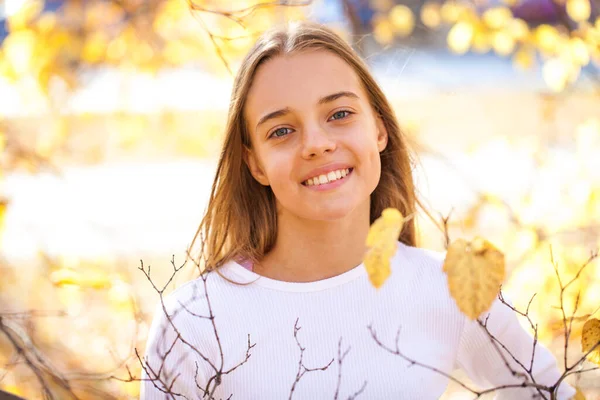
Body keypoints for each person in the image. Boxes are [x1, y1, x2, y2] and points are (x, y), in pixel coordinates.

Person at [140, 21, 575, 399]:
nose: (317, 143)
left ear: (379, 129)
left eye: (340, 113)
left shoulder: (451, 291)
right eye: (282, 130)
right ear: (255, 163)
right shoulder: (195, 321)